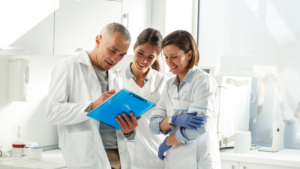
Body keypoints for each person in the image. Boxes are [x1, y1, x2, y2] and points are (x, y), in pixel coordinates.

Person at [45, 23, 140, 169]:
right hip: (89, 157)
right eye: (112, 50)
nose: (115, 59)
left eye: (121, 55)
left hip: (119, 157)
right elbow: (52, 112)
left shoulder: (116, 76)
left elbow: (114, 123)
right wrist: (92, 106)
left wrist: (128, 130)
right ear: (98, 40)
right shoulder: (68, 66)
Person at [149, 30, 221, 169]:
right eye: (166, 57)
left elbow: (198, 128)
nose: (169, 62)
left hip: (198, 160)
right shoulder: (169, 85)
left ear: (189, 54)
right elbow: (153, 124)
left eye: (174, 56)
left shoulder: (203, 81)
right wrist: (173, 120)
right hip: (174, 160)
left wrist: (167, 141)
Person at [115, 28, 169, 169]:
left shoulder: (164, 82)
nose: (144, 61)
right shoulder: (114, 78)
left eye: (150, 57)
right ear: (134, 47)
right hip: (122, 152)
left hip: (155, 153)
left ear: (157, 57)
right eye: (140, 53)